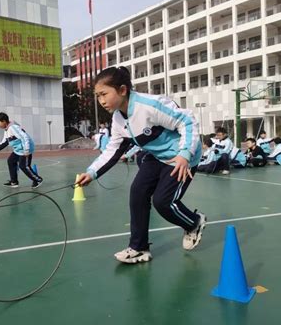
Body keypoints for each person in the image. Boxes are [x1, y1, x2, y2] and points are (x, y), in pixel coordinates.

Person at [76, 67, 206, 264]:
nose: (101, 101)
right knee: (138, 192)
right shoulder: (118, 118)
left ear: (122, 90)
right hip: (157, 156)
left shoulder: (149, 105)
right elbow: (114, 149)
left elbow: (187, 121)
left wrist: (185, 154)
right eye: (98, 96)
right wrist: (92, 173)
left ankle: (194, 223)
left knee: (163, 202)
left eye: (104, 94)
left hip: (181, 157)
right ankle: (139, 248)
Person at [0, 112, 43, 189]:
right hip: (18, 150)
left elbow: (24, 137)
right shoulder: (7, 130)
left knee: (24, 166)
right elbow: (4, 143)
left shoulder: (13, 128)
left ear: (4, 121)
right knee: (11, 161)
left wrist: (26, 150)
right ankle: (14, 182)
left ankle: (38, 180)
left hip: (24, 150)